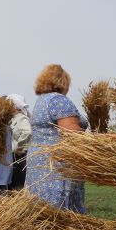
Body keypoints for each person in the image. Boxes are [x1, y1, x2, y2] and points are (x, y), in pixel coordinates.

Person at [25, 64, 89, 212]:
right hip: (56, 165)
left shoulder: (42, 100)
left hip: (39, 162)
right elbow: (72, 133)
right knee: (59, 212)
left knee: (41, 209)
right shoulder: (59, 100)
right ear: (63, 82)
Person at [6, 93, 32, 191]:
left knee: (18, 182)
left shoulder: (21, 118)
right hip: (14, 155)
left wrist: (19, 148)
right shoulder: (13, 119)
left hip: (20, 155)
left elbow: (27, 133)